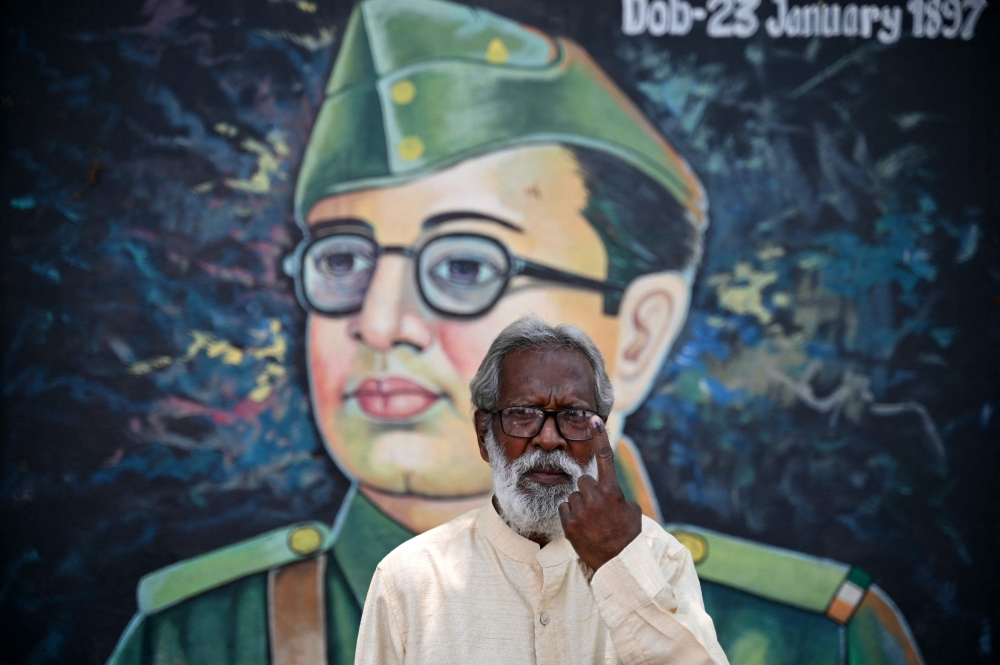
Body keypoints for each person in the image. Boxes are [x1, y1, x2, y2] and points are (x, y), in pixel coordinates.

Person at [107, 0, 924, 663]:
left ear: (638, 332)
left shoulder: (813, 639)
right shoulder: (196, 640)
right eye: (343, 259)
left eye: (465, 266)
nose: (380, 320)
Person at [355, 316, 730, 664]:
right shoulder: (411, 579)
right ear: (485, 436)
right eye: (523, 413)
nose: (549, 440)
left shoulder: (658, 558)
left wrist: (620, 565)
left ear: (602, 434)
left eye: (575, 415)